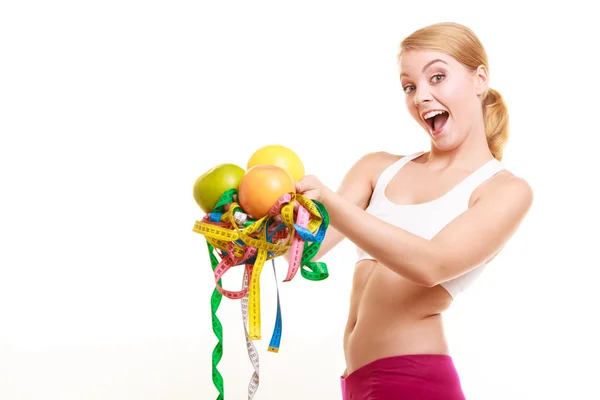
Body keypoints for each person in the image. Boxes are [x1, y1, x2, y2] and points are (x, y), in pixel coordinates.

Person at [294, 22, 534, 399]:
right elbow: (310, 246)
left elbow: (431, 265)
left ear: (479, 79)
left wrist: (330, 202)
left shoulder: (504, 190)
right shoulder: (378, 168)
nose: (421, 96)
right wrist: (251, 221)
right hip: (355, 383)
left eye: (437, 77)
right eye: (410, 86)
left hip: (414, 381)